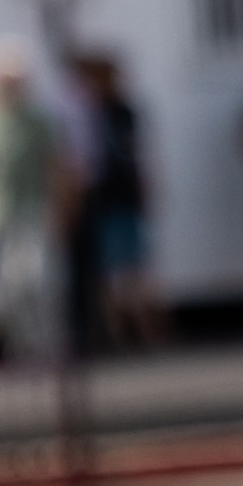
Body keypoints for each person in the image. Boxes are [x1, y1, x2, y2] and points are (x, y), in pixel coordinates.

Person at [0, 38, 69, 364]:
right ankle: (20, 347)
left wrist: (60, 210)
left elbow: (54, 166)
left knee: (34, 280)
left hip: (32, 209)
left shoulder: (38, 119)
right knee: (0, 292)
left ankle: (47, 345)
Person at [73, 50, 162, 351]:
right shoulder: (87, 112)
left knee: (134, 266)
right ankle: (115, 333)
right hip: (101, 199)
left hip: (124, 196)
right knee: (107, 269)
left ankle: (144, 330)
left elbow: (137, 153)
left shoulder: (124, 111)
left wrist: (146, 187)